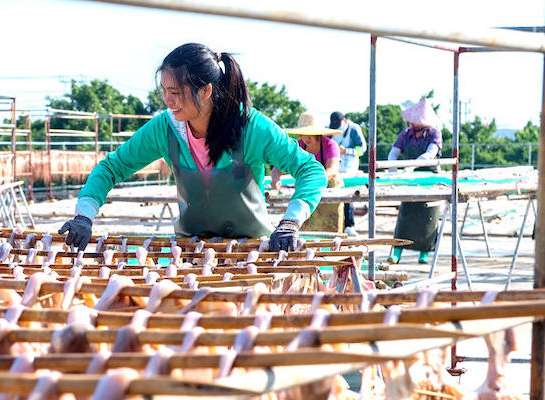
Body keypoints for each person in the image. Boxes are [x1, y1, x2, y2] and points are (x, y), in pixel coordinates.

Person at [58, 43, 326, 253]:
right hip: (192, 253)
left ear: (206, 91)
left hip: (250, 253)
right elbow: (111, 167)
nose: (167, 100)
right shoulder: (165, 128)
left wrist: (291, 221)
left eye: (175, 92)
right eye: (164, 91)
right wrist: (84, 215)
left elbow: (310, 170)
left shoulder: (251, 127)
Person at [386, 98, 444, 264]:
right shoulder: (406, 134)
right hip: (409, 178)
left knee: (429, 217)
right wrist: (392, 167)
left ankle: (424, 253)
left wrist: (411, 166)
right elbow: (394, 152)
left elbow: (429, 154)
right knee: (406, 213)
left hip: (428, 178)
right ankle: (397, 251)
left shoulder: (434, 133)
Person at [329, 111, 366, 236]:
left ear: (344, 121)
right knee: (333, 194)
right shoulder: (331, 129)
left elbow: (362, 149)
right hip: (334, 167)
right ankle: (335, 224)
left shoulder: (354, 129)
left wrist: (347, 151)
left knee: (347, 194)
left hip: (350, 167)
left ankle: (349, 225)